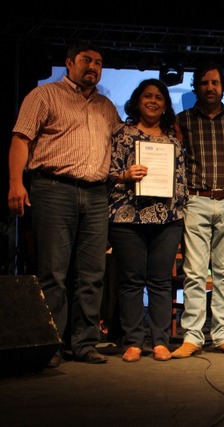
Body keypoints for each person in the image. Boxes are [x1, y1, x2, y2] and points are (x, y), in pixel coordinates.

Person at [7, 41, 121, 367]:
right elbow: (20, 140)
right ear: (69, 62)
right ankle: (51, 345)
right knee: (53, 272)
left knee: (92, 274)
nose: (93, 67)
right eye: (87, 60)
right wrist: (16, 183)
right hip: (54, 188)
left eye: (99, 62)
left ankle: (85, 343)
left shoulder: (106, 107)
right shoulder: (44, 96)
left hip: (97, 194)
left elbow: (122, 146)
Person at [171, 61, 224, 358]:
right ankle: (192, 336)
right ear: (196, 87)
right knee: (194, 272)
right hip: (196, 200)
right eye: (204, 83)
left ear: (223, 87)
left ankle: (222, 334)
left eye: (215, 83)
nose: (210, 88)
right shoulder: (182, 120)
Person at [107, 79, 186, 362]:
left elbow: (180, 179)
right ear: (137, 101)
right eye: (147, 96)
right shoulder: (121, 133)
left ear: (165, 104)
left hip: (167, 219)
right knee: (130, 282)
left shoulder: (173, 137)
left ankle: (161, 341)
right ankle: (133, 342)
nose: (153, 101)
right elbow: (107, 171)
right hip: (128, 217)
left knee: (160, 282)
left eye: (159, 97)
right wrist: (125, 175)